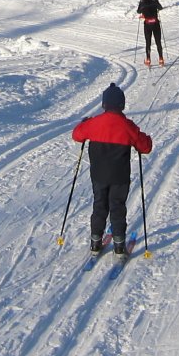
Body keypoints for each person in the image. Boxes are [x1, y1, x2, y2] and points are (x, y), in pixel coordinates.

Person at [72, 84, 153, 256]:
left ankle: (95, 241)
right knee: (117, 207)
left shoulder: (93, 123)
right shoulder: (127, 125)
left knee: (99, 205)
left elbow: (77, 135)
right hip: (120, 177)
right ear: (122, 105)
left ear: (104, 105)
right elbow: (145, 147)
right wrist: (146, 138)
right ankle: (119, 245)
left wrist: (84, 122)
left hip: (98, 175)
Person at [136, 0, 165, 66]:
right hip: (156, 24)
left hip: (147, 25)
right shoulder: (154, 2)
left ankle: (148, 59)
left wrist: (140, 3)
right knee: (158, 42)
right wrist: (157, 1)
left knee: (148, 42)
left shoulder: (142, 3)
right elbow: (160, 8)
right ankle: (161, 59)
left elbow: (138, 12)